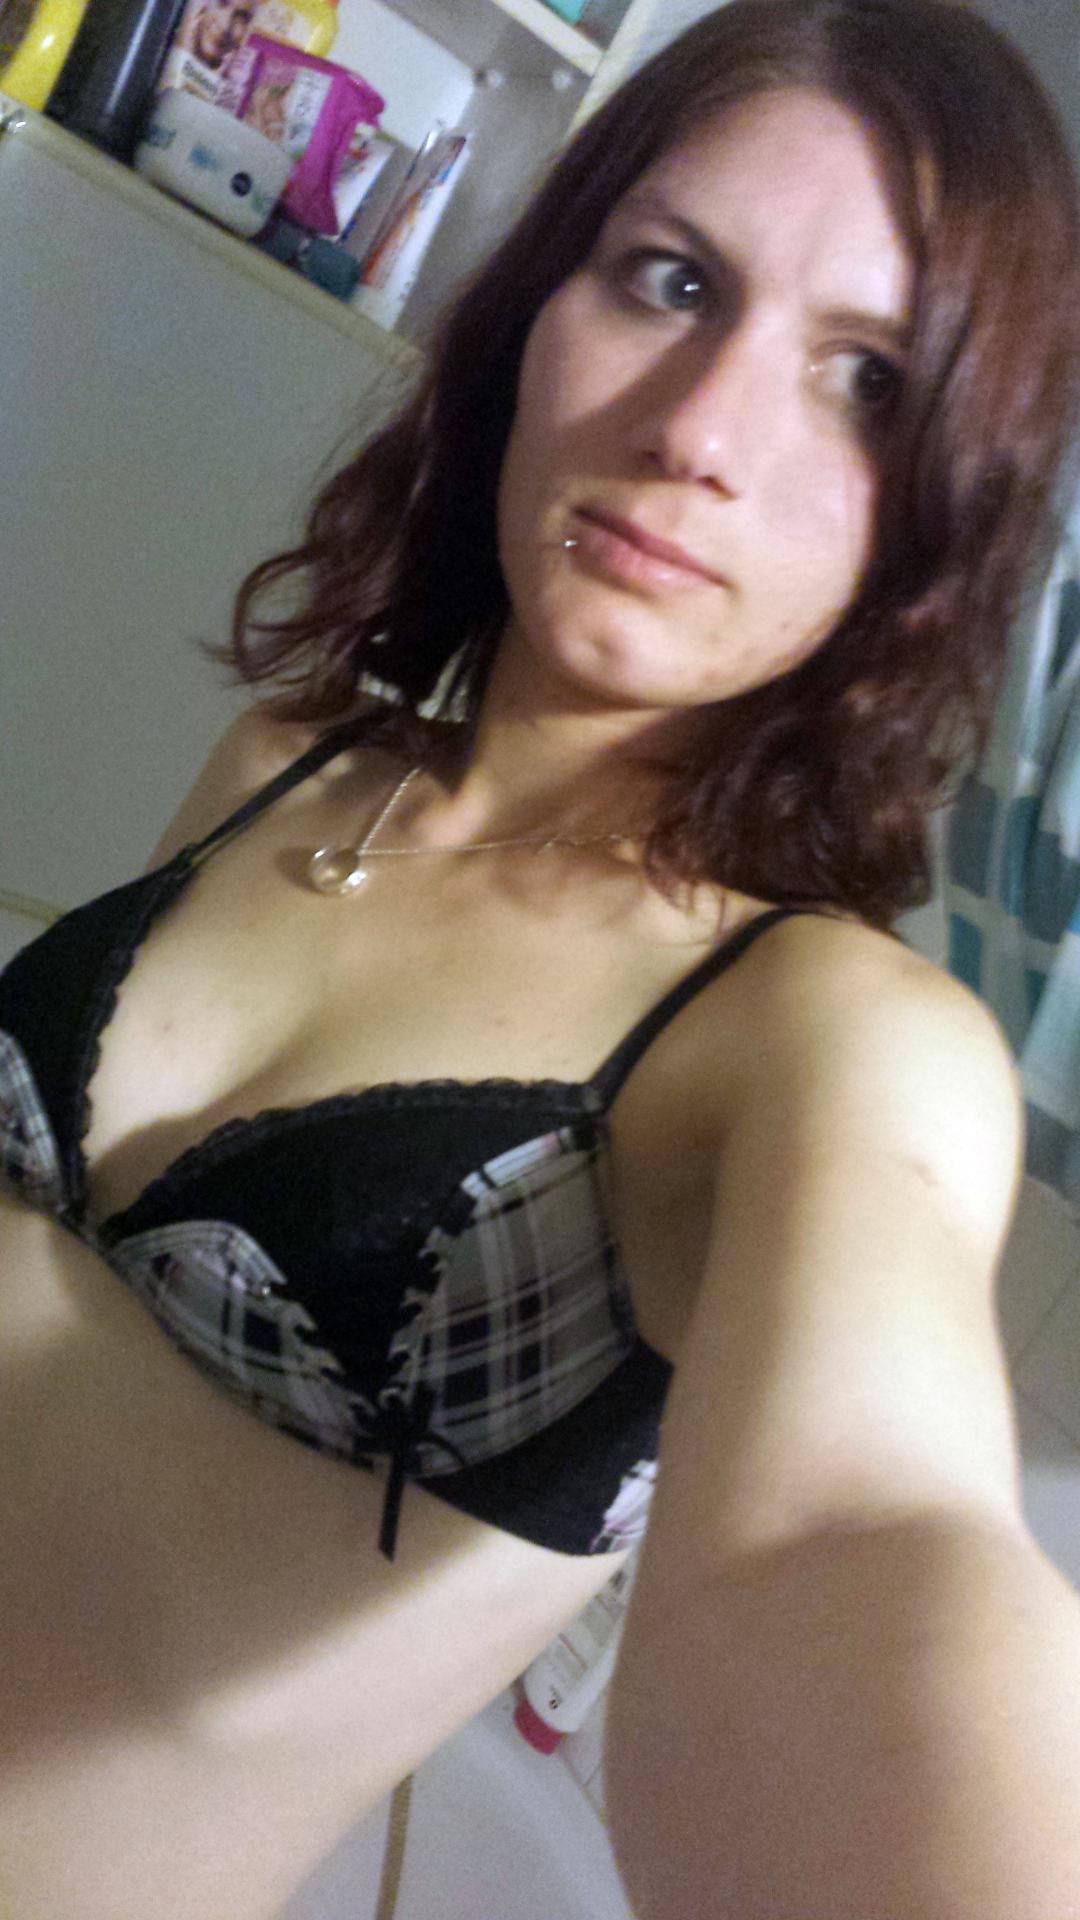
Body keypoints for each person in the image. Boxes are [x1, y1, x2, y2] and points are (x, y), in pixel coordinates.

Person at [2, 1, 1079, 1914]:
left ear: (943, 514)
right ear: (531, 312)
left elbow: (857, 1533)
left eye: (868, 381)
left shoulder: (815, 1039)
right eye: (672, 280)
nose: (700, 432)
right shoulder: (283, 768)